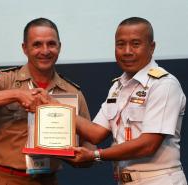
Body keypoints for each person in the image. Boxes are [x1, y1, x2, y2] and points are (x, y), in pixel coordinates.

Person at [0, 18, 94, 185]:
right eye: (37, 44)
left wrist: (81, 157)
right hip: (4, 179)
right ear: (25, 48)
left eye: (51, 44)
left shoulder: (72, 92)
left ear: (59, 46)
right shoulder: (5, 80)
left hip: (48, 180)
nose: (45, 51)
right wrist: (16, 95)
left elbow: (89, 144)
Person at [63, 17, 187, 185]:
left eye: (135, 44)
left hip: (159, 180)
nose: (127, 51)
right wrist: (49, 105)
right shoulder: (117, 87)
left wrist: (95, 155)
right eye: (120, 44)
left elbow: (148, 145)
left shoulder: (164, 84)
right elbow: (95, 133)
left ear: (152, 47)